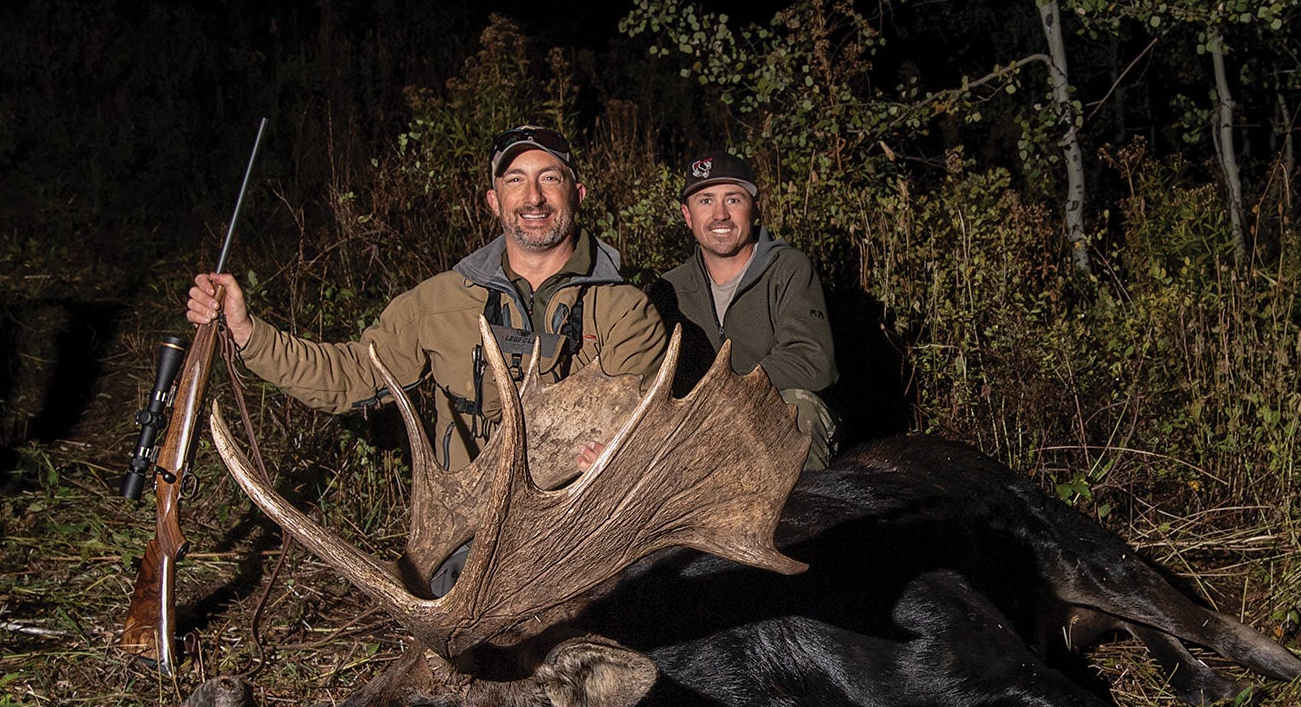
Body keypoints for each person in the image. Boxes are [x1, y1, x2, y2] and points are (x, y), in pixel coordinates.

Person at [186, 125, 668, 475]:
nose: (534, 198)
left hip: (579, 527)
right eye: (515, 180)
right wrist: (249, 334)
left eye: (550, 178)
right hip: (469, 534)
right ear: (493, 201)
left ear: (576, 193)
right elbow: (353, 374)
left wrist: (616, 455)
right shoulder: (440, 301)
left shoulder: (625, 311)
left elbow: (639, 432)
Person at [651, 150, 839, 470]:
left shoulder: (787, 270)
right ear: (687, 215)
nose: (720, 214)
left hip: (772, 409)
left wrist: (726, 391)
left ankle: (806, 516)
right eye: (706, 201)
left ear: (753, 209)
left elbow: (813, 363)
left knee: (799, 411)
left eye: (734, 200)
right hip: (698, 425)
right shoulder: (668, 290)